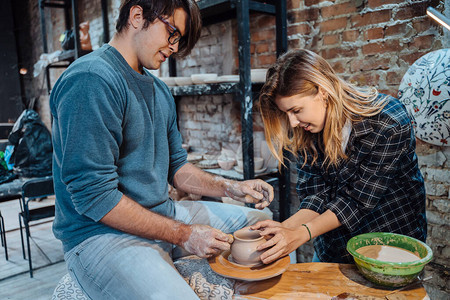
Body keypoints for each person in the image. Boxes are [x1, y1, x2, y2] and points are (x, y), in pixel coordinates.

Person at [50, 0, 273, 299]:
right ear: (137, 16)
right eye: (172, 33)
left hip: (162, 214)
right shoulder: (92, 79)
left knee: (262, 225)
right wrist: (185, 234)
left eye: (179, 40)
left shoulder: (159, 91)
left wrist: (232, 187)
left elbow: (177, 169)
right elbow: (94, 196)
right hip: (100, 236)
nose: (174, 48)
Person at [252, 49, 427, 264]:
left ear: (323, 91)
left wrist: (299, 234)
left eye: (296, 110)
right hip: (334, 247)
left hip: (388, 245)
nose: (292, 123)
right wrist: (284, 228)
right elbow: (315, 194)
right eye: (286, 113)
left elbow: (357, 201)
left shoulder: (387, 121)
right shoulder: (307, 130)